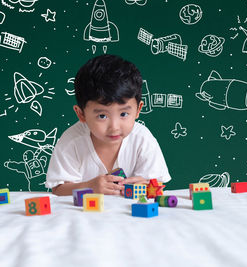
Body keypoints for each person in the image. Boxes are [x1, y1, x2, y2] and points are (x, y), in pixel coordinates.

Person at [45, 54, 171, 196]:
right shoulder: (71, 142)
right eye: (102, 116)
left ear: (138, 110)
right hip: (85, 215)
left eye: (123, 114)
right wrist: (89, 187)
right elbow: (58, 190)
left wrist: (145, 186)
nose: (114, 127)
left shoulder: (142, 139)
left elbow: (157, 186)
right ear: (81, 114)